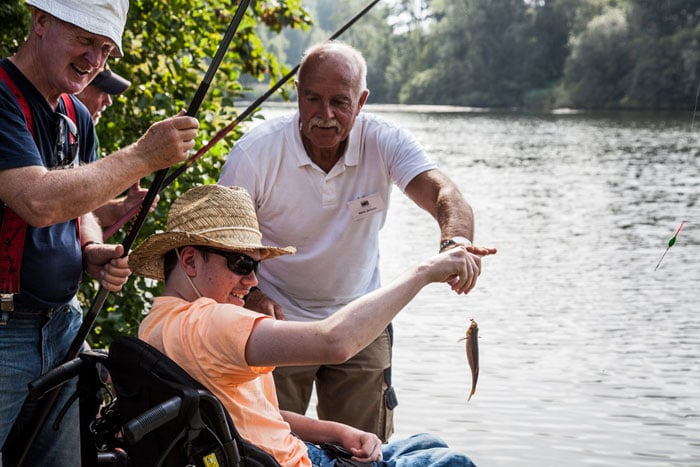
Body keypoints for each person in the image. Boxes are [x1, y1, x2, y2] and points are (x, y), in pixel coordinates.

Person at [218, 40, 492, 441]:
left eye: (339, 102)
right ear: (297, 95)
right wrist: (253, 296)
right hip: (275, 321)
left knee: (366, 449)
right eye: (312, 99)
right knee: (267, 446)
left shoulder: (384, 140)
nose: (324, 115)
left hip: (362, 318)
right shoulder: (255, 153)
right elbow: (221, 243)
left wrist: (456, 243)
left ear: (361, 101)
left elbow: (445, 195)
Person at [130, 184, 490, 466]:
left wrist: (335, 431)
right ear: (190, 261)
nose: (252, 281)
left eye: (257, 267)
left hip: (278, 450)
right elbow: (334, 341)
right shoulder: (212, 321)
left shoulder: (157, 322)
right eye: (241, 264)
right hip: (293, 461)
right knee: (451, 461)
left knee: (429, 445)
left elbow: (249, 413)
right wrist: (424, 271)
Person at [0, 0, 199, 465]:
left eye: (107, 49)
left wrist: (91, 247)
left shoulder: (77, 115)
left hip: (62, 327)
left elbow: (78, 205)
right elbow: (37, 200)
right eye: (86, 41)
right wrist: (143, 155)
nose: (96, 61)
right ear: (40, 21)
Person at [75, 67, 154, 234]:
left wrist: (122, 207)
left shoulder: (89, 137)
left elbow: (79, 210)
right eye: (101, 91)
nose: (108, 101)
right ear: (76, 87)